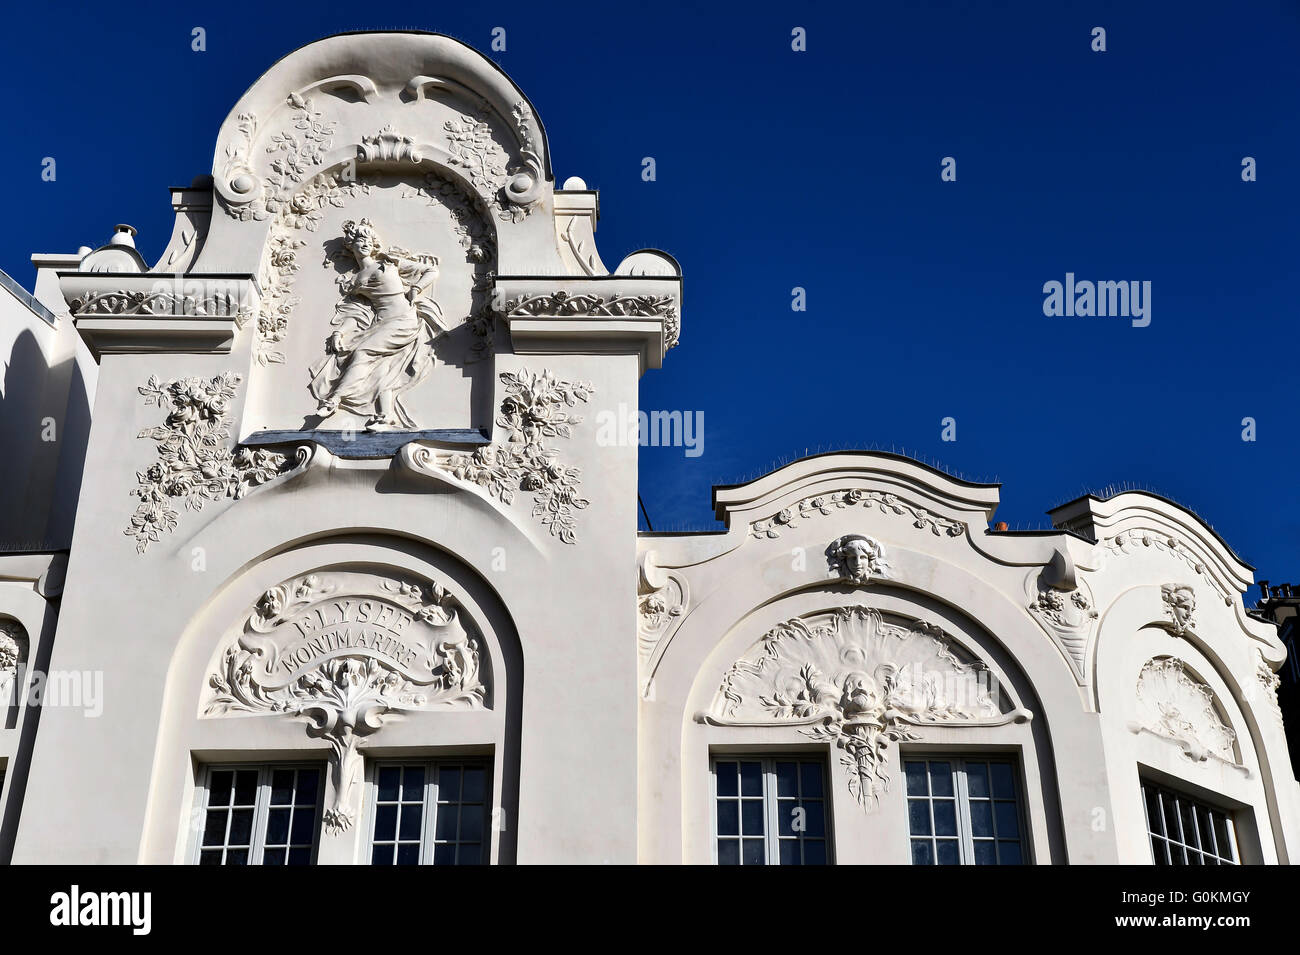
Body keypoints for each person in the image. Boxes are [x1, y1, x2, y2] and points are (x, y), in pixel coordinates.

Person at [310, 218, 445, 431]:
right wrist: (339, 333)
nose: (365, 244)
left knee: (363, 352)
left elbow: (431, 271)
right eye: (360, 240)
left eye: (369, 241)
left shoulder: (389, 263)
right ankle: (385, 416)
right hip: (380, 323)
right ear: (350, 245)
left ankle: (334, 399)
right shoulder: (355, 281)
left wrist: (416, 289)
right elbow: (357, 314)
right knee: (383, 369)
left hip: (403, 319)